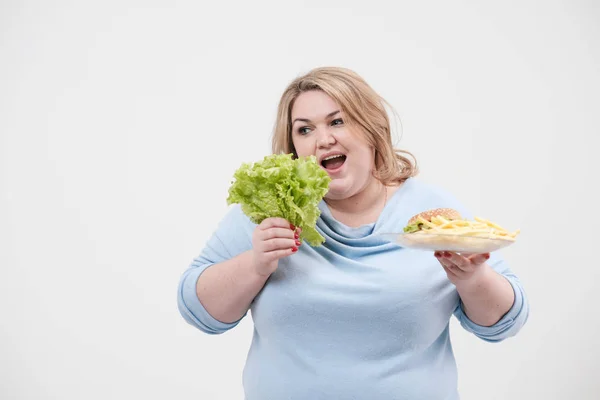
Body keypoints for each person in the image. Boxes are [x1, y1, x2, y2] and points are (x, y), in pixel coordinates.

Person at [177, 66, 529, 399]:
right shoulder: (270, 210)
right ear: (294, 147)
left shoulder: (431, 213)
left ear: (372, 128)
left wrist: (472, 278)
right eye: (305, 129)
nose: (323, 139)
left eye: (338, 121)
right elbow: (200, 312)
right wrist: (255, 264)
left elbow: (504, 324)